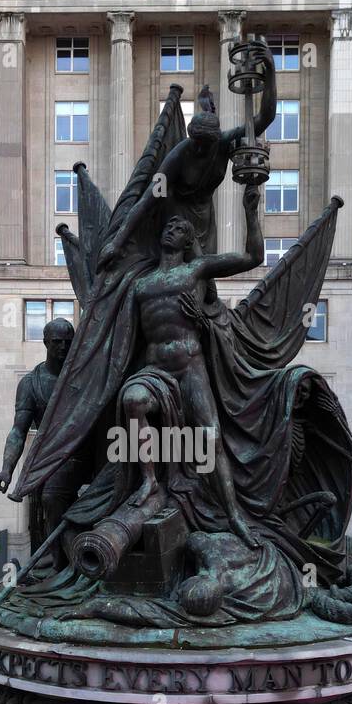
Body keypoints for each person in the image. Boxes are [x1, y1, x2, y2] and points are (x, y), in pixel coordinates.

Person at [118, 187, 265, 546]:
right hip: (155, 370)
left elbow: (252, 256)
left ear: (189, 241)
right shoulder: (140, 284)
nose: (172, 230)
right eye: (168, 227)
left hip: (190, 366)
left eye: (180, 229)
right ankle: (149, 480)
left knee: (210, 437)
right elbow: (123, 338)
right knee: (133, 401)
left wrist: (250, 211)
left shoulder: (197, 269)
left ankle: (234, 516)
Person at [100, 45, 277, 261]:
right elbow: (149, 199)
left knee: (204, 275)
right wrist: (117, 244)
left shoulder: (223, 142)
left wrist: (270, 72)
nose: (198, 148)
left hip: (204, 215)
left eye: (204, 145)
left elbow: (265, 117)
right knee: (192, 266)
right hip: (176, 214)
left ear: (215, 141)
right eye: (196, 142)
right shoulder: (179, 155)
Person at [0, 317, 84, 564]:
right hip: (56, 457)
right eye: (57, 342)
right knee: (50, 498)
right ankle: (60, 562)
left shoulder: (84, 379)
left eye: (68, 342)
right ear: (45, 342)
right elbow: (18, 431)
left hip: (88, 453)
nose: (63, 347)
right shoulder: (31, 384)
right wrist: (7, 469)